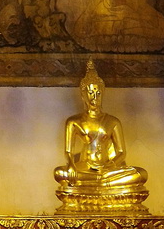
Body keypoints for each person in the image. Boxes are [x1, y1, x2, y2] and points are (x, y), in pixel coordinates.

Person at [54, 60, 148, 193]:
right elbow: (68, 151)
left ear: (102, 94)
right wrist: (71, 165)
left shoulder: (112, 121)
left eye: (98, 93)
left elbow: (121, 152)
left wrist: (110, 166)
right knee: (60, 173)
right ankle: (102, 182)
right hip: (85, 168)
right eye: (91, 93)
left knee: (140, 174)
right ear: (83, 95)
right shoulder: (74, 121)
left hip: (107, 169)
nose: (95, 97)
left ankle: (102, 181)